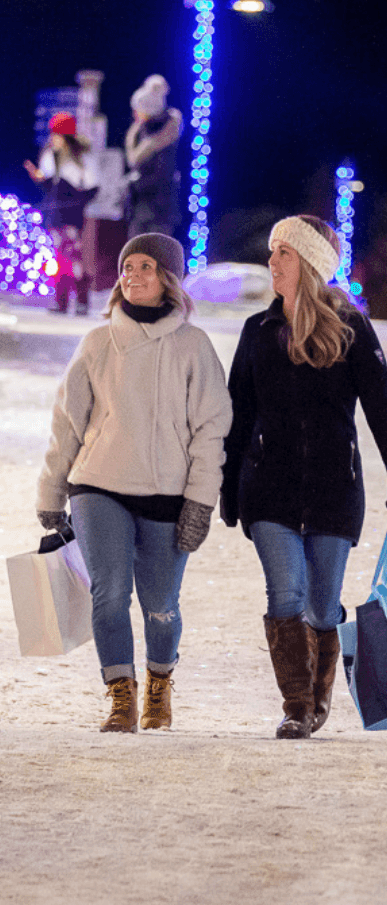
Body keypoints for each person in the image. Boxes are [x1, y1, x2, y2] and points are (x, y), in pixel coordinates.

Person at [220, 215, 387, 740]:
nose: (272, 261)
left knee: (322, 605)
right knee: (286, 593)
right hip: (269, 488)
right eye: (272, 251)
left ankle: (318, 697)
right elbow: (237, 413)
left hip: (334, 488)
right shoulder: (257, 332)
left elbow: (382, 406)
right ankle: (297, 707)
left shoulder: (351, 330)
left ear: (308, 264)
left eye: (283, 252)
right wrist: (228, 485)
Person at [36, 234, 232, 732]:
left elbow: (212, 430)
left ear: (168, 279)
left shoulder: (194, 346)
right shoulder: (98, 343)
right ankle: (121, 696)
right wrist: (51, 494)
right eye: (128, 266)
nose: (133, 275)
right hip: (98, 486)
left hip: (169, 495)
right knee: (109, 593)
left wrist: (200, 502)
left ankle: (160, 684)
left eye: (146, 266)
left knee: (161, 606)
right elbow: (67, 424)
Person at [24, 111, 99, 314]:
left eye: (55, 134)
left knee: (74, 258)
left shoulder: (81, 158)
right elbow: (50, 187)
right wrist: (39, 178)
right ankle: (61, 301)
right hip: (56, 216)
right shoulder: (50, 156)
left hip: (72, 217)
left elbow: (92, 187)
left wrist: (77, 202)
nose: (52, 138)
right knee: (59, 259)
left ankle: (82, 301)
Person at [125, 75, 183, 237]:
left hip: (157, 208)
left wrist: (135, 183)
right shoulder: (143, 130)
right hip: (144, 207)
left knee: (156, 250)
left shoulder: (162, 131)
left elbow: (159, 172)